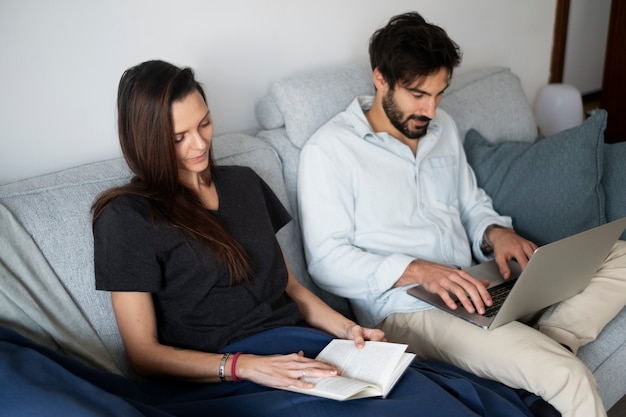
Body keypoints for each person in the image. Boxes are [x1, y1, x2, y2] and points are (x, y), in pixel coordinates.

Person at [88, 59, 551, 417]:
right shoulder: (127, 218)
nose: (200, 145)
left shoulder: (243, 183)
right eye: (178, 137)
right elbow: (144, 356)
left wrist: (347, 329)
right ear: (146, 140)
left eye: (204, 123)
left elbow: (288, 287)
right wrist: (244, 366)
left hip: (300, 348)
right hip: (225, 377)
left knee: (460, 399)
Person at [298, 11, 626, 417]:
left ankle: (548, 339)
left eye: (439, 94)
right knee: (567, 376)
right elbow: (326, 263)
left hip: (476, 283)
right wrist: (419, 271)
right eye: (418, 94)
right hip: (409, 311)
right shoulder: (329, 152)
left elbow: (471, 203)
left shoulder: (442, 129)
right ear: (380, 78)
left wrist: (494, 233)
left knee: (619, 254)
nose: (431, 111)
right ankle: (542, 356)